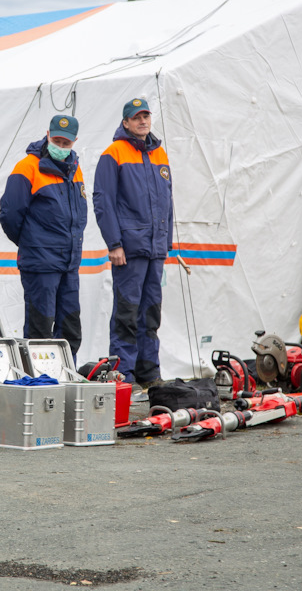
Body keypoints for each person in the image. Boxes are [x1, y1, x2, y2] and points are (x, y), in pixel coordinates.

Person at [92, 98, 173, 395]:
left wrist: (166, 242)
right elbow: (103, 201)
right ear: (125, 122)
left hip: (154, 248)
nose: (142, 121)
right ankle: (123, 374)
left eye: (146, 116)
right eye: (136, 118)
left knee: (151, 313)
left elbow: (168, 201)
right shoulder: (113, 153)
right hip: (129, 248)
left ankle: (149, 373)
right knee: (127, 314)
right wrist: (114, 243)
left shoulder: (160, 153)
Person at [0, 114, 87, 358]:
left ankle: (66, 381)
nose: (61, 147)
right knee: (40, 332)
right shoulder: (27, 167)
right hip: (41, 264)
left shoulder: (74, 169)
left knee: (70, 330)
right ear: (47, 135)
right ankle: (38, 385)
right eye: (56, 140)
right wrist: (31, 243)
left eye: (66, 143)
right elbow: (9, 214)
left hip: (69, 264)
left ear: (75, 141)